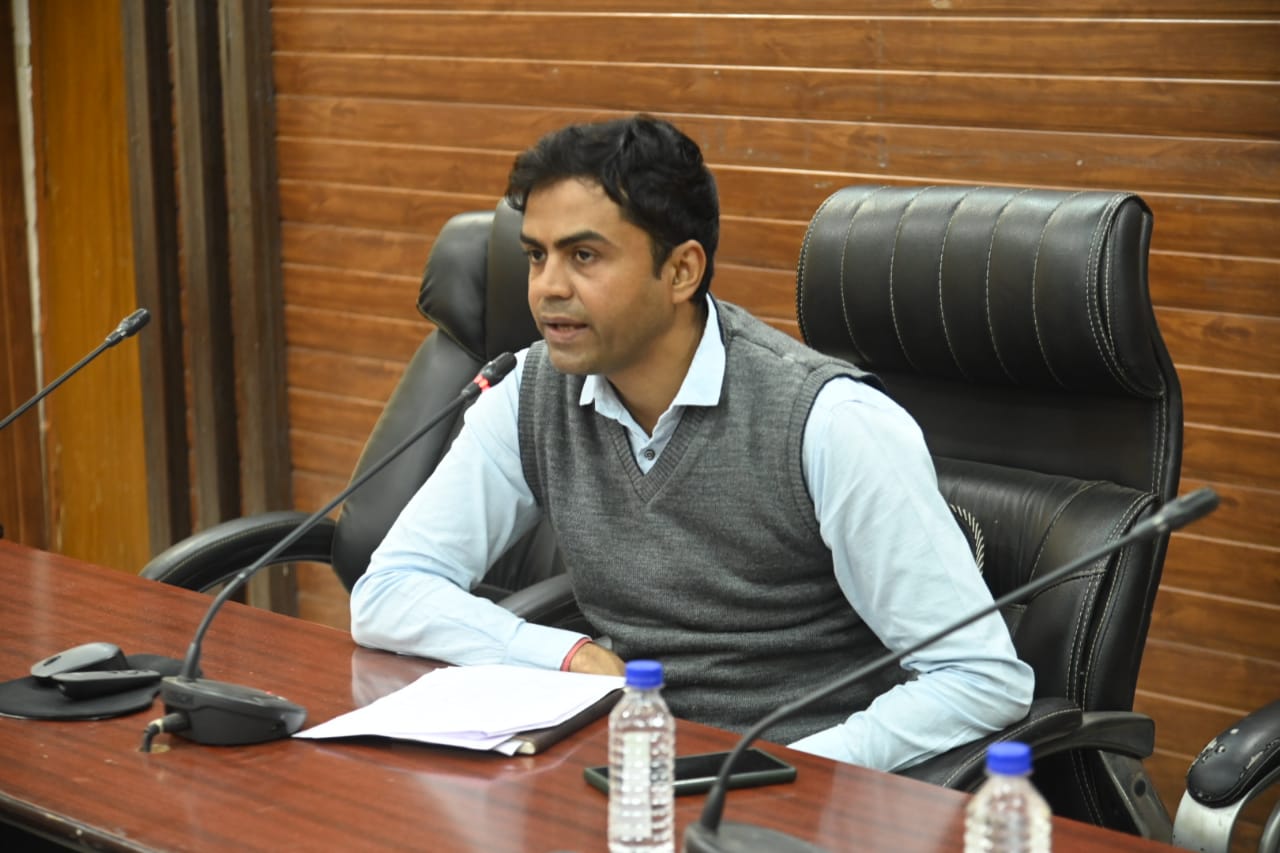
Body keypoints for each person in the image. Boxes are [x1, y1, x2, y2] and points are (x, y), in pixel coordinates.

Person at [350, 114, 1033, 772]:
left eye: (584, 255)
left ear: (681, 271)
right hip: (617, 767)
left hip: (788, 792)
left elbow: (979, 677)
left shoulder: (831, 421)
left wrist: (782, 772)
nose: (548, 287)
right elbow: (390, 589)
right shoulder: (529, 392)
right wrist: (562, 655)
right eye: (536, 255)